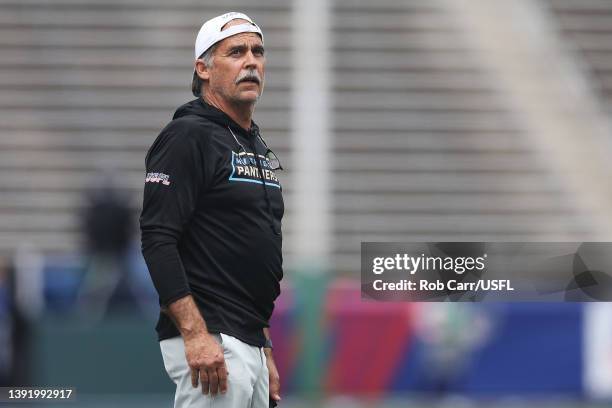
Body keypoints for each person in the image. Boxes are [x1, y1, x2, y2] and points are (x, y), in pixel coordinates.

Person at [140, 12, 283, 408]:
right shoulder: (187, 135)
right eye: (236, 52)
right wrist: (195, 334)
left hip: (246, 339)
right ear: (203, 67)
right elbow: (157, 237)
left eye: (258, 51)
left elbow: (247, 254)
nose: (251, 61)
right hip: (213, 338)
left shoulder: (250, 142)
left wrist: (263, 345)